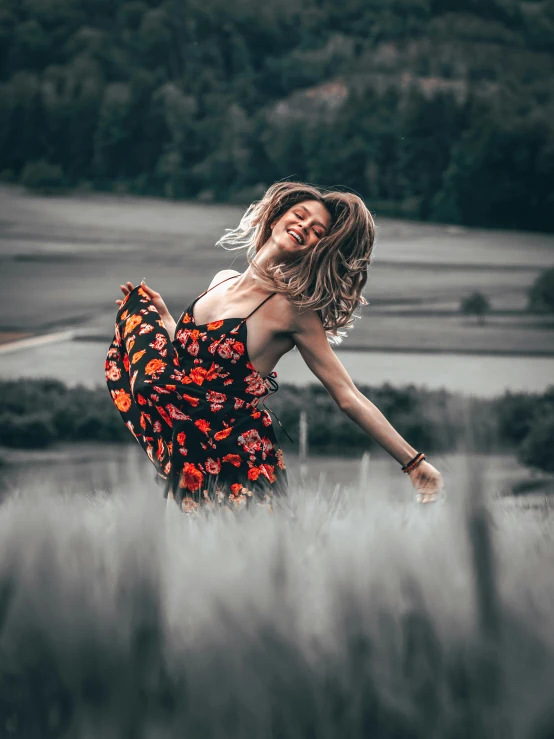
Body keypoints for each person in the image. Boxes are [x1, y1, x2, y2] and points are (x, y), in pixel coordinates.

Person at [106, 181, 444, 514]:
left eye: (317, 231)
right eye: (299, 215)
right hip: (188, 451)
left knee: (251, 565)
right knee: (180, 564)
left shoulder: (292, 309)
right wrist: (166, 320)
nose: (304, 227)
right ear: (276, 217)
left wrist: (414, 464)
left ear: (317, 249)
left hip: (237, 457)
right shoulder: (220, 280)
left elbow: (347, 396)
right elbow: (190, 364)